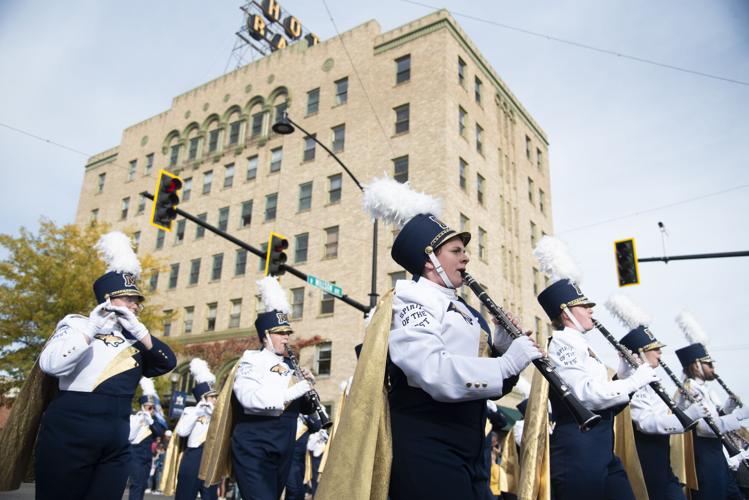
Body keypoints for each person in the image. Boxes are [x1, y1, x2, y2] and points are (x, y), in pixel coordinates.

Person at [387, 212, 542, 500]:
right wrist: (505, 363)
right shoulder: (409, 301)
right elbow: (434, 372)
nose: (466, 258)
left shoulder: (468, 313)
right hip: (427, 444)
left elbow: (491, 389)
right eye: (456, 251)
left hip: (469, 446)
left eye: (465, 250)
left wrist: (502, 348)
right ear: (428, 260)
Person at [35, 231, 176, 500]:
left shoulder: (135, 340)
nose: (135, 305)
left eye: (136, 300)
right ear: (107, 299)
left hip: (115, 438)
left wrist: (140, 329)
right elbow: (52, 365)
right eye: (128, 299)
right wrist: (92, 327)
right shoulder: (76, 324)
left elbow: (167, 362)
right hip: (71, 430)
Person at [537, 278, 658, 500]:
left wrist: (623, 375)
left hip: (601, 446)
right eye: (584, 306)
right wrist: (633, 382)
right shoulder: (562, 343)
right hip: (578, 449)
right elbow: (586, 395)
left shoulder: (583, 345)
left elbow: (604, 399)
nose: (591, 310)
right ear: (566, 313)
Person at [231, 276, 317, 500]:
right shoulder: (251, 360)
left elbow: (304, 409)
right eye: (280, 333)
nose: (286, 338)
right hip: (255, 443)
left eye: (287, 333)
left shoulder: (290, 365)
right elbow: (248, 399)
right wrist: (293, 391)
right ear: (266, 336)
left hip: (284, 443)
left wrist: (307, 387)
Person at [618, 326, 709, 499]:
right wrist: (689, 415)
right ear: (641, 352)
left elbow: (664, 415)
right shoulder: (633, 382)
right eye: (654, 348)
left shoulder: (651, 380)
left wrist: (681, 404)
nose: (660, 352)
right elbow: (646, 424)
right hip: (646, 461)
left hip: (662, 459)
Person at [675, 342, 749, 499]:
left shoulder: (703, 389)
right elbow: (705, 428)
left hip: (717, 455)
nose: (712, 368)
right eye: (708, 363)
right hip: (704, 457)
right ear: (696, 365)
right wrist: (740, 415)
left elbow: (714, 420)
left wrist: (727, 409)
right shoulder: (689, 390)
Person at [174, 358, 220, 500]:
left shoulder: (218, 413)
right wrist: (198, 411)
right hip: (194, 456)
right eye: (213, 397)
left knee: (210, 496)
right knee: (185, 495)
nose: (216, 399)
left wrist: (212, 411)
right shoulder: (190, 411)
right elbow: (182, 432)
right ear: (203, 398)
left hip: (211, 456)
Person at [129, 377, 168, 500]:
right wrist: (141, 419)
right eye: (148, 407)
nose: (151, 410)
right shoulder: (135, 417)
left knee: (142, 485)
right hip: (135, 454)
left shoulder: (153, 421)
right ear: (142, 406)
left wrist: (150, 420)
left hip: (147, 455)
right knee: (136, 484)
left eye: (152, 407)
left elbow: (160, 433)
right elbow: (131, 436)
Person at [285, 414, 322, 500]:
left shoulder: (305, 413)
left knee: (297, 492)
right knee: (294, 490)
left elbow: (316, 426)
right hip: (284, 453)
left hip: (299, 459)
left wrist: (308, 414)